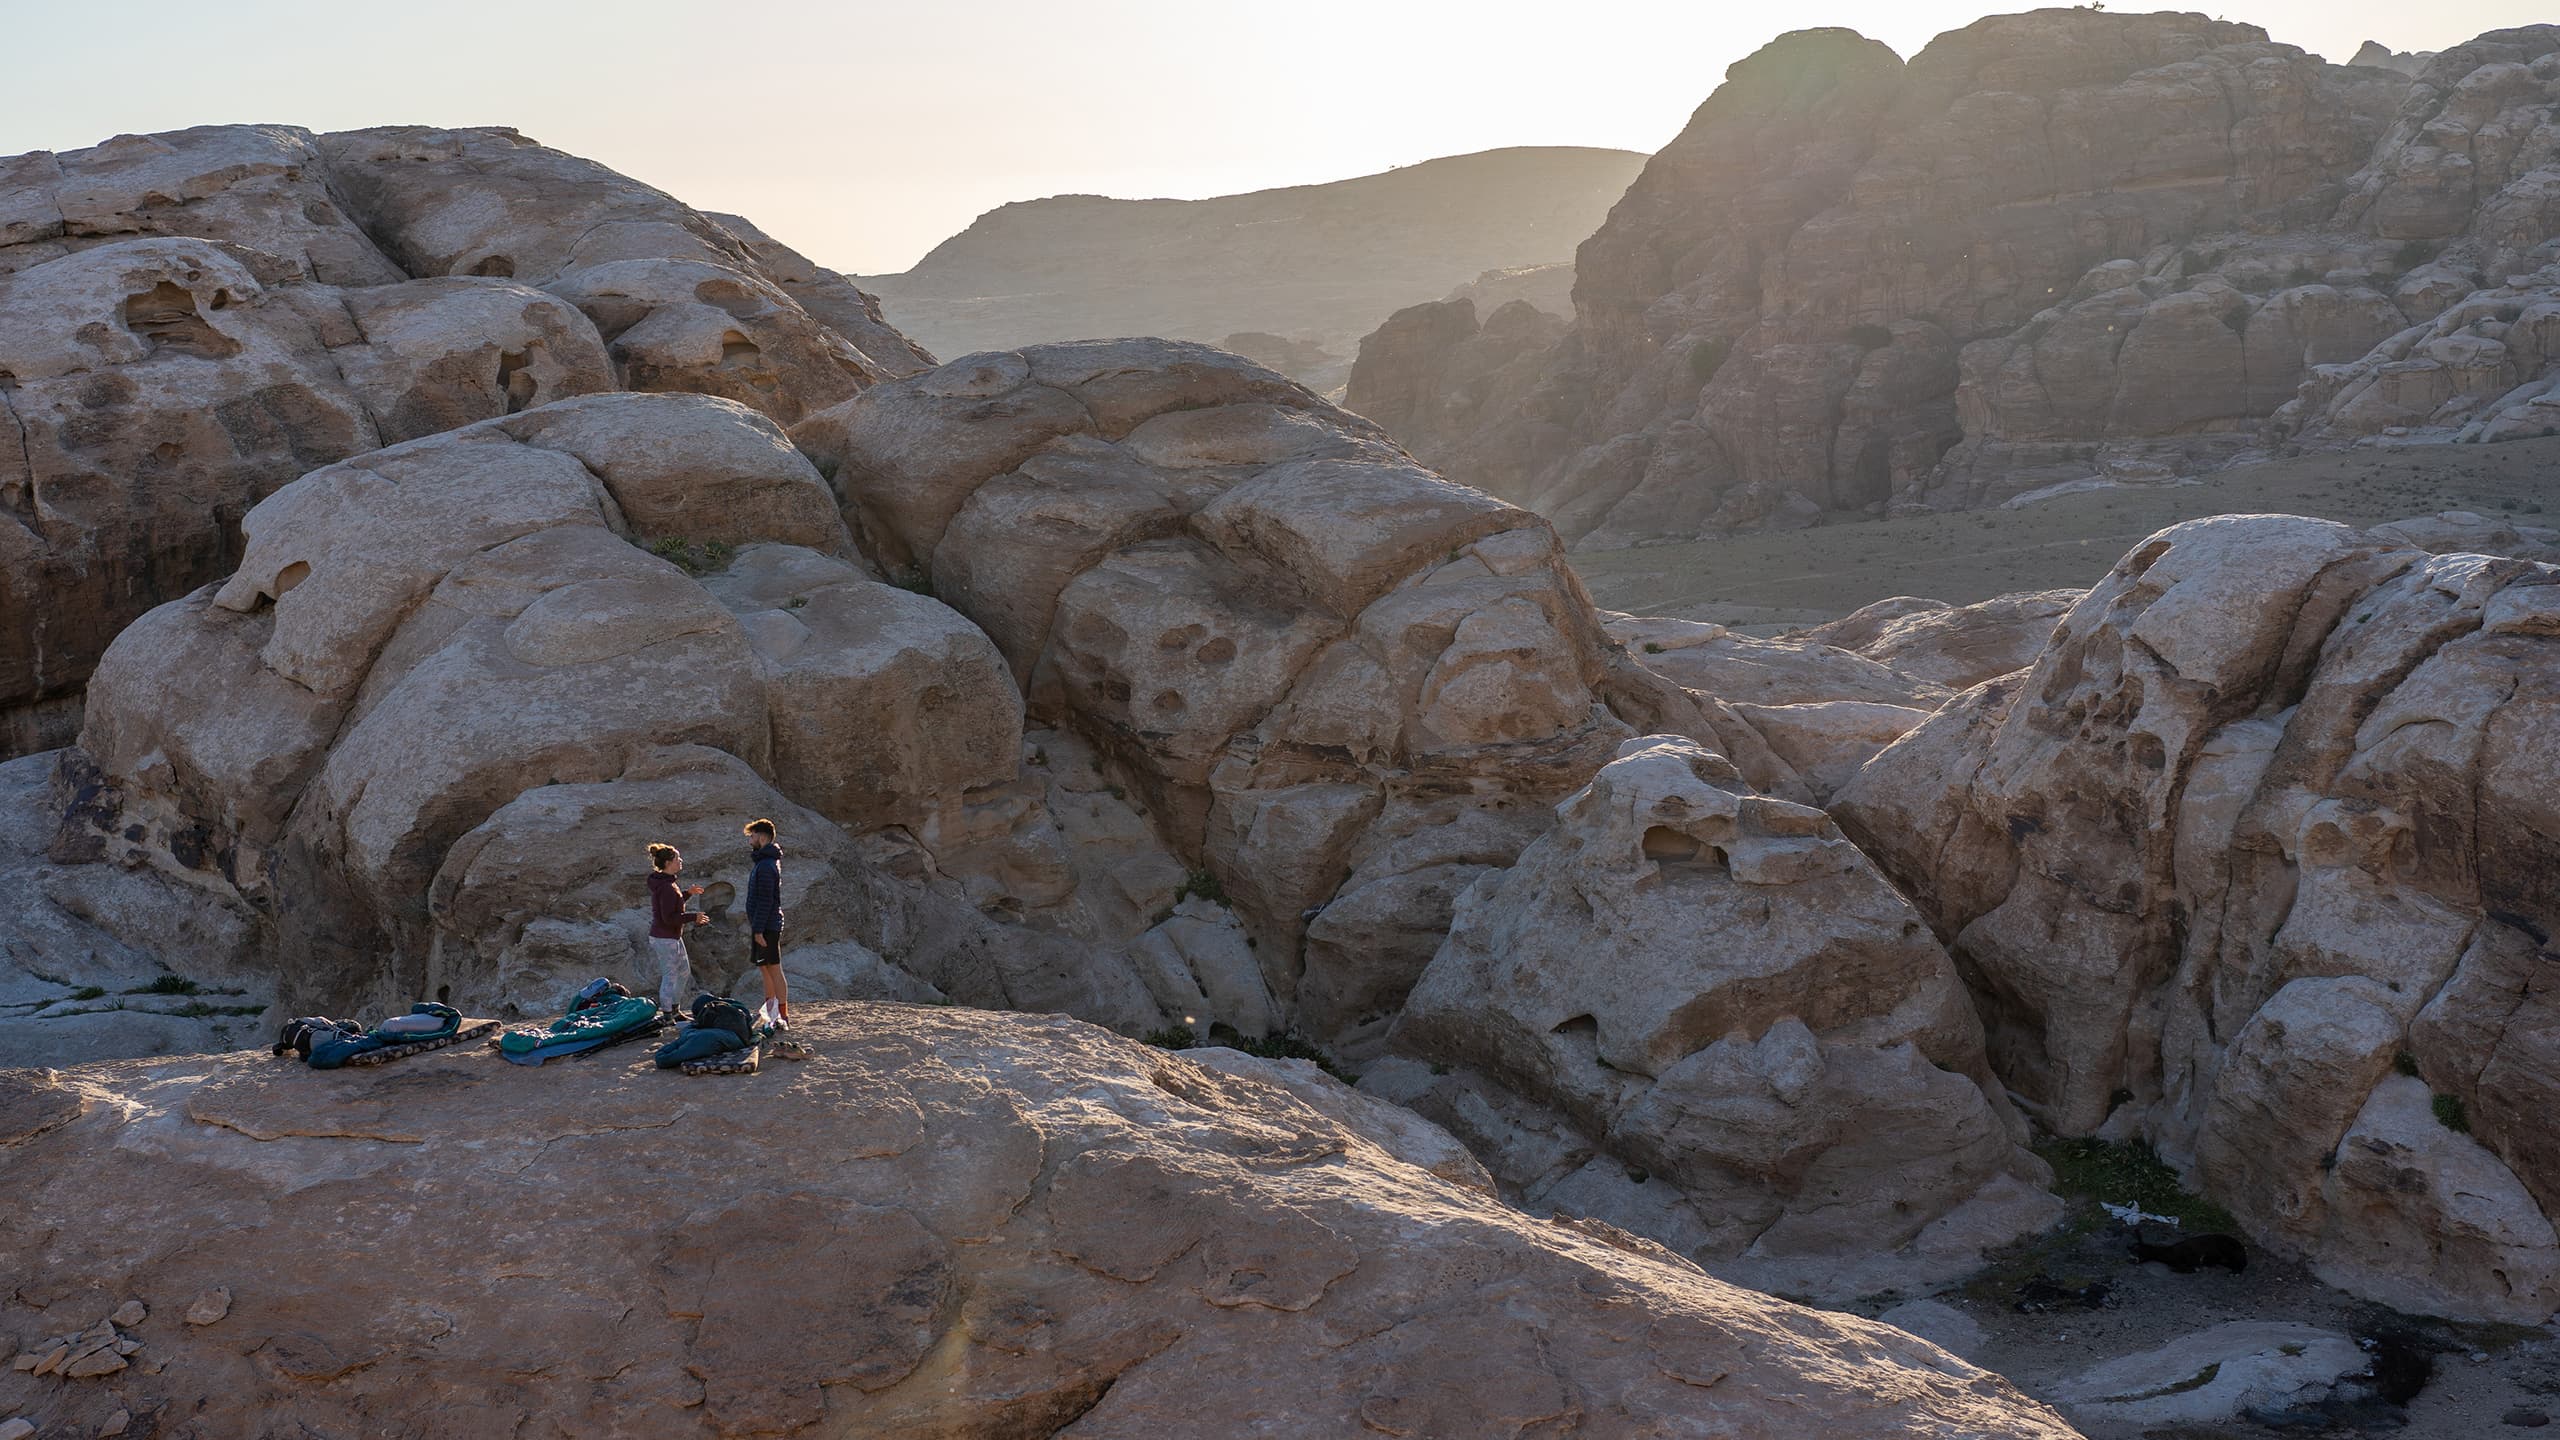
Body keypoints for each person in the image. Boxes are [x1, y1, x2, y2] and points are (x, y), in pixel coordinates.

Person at [645, 843, 709, 1018]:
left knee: (683, 972)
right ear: (668, 863)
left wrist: (687, 893)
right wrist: (693, 917)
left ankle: (674, 1009)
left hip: (671, 936)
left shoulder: (667, 883)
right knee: (670, 975)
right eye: (677, 859)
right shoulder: (666, 886)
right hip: (664, 938)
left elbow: (672, 904)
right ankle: (667, 1014)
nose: (681, 861)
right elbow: (669, 918)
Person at [742, 819, 792, 1031]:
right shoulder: (765, 862)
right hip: (765, 924)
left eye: (752, 836)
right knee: (765, 967)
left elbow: (766, 900)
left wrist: (758, 930)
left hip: (767, 926)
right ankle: (771, 1011)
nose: (750, 841)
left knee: (773, 968)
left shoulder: (765, 865)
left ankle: (782, 1015)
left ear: (762, 837)